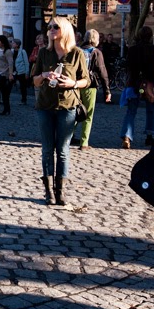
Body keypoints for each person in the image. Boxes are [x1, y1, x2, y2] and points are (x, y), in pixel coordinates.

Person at [30, 16, 89, 206]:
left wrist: (73, 83)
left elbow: (86, 80)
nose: (51, 30)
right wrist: (44, 75)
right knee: (47, 149)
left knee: (62, 150)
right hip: (45, 106)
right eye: (49, 27)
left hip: (67, 107)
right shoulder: (43, 53)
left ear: (65, 30)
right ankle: (49, 191)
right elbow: (34, 80)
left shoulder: (76, 53)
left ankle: (60, 191)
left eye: (55, 26)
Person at [119, 26, 154, 149]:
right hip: (149, 84)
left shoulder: (132, 49)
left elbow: (128, 66)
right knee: (151, 110)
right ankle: (149, 136)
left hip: (134, 83)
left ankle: (127, 136)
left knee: (131, 111)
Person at [72, 30, 111, 150]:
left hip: (75, 85)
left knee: (74, 112)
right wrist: (107, 91)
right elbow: (102, 72)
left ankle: (67, 137)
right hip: (89, 86)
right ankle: (84, 142)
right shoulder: (96, 52)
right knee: (88, 114)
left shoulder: (76, 50)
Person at [0, 35, 14, 116]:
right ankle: (6, 109)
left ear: (3, 42)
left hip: (4, 74)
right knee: (3, 92)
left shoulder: (7, 51)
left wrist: (10, 74)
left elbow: (10, 63)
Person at [12, 39, 30, 105]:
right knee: (9, 84)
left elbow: (26, 62)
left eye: (13, 43)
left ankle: (24, 100)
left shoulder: (22, 51)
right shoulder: (12, 51)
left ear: (17, 45)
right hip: (14, 71)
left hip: (21, 71)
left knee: (23, 87)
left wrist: (27, 72)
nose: (12, 44)